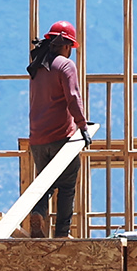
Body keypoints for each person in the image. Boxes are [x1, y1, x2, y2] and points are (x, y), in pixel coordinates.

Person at [26, 21, 94, 238]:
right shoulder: (65, 65)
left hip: (37, 138)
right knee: (67, 183)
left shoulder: (38, 65)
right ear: (66, 46)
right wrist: (82, 125)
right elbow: (73, 96)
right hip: (60, 137)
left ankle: (38, 216)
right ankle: (62, 233)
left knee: (44, 183)